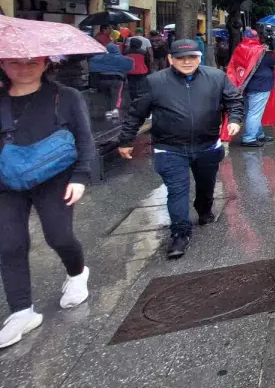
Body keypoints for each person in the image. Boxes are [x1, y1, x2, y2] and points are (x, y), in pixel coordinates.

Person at [0, 56, 95, 350]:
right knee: (9, 243)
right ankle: (21, 312)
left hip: (56, 179)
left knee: (59, 235)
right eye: (14, 62)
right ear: (2, 64)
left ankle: (77, 273)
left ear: (45, 64)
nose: (23, 67)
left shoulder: (66, 96)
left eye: (31, 62)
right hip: (7, 181)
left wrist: (80, 176)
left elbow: (84, 137)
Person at [118, 39, 244, 259]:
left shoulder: (216, 77)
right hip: (170, 148)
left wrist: (234, 119)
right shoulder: (154, 82)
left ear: (199, 57)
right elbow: (136, 113)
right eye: (180, 58)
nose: (187, 62)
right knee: (177, 190)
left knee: (206, 185)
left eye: (192, 57)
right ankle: (180, 232)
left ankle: (204, 209)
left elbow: (234, 100)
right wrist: (126, 139)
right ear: (170, 59)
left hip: (207, 145)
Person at [89, 42, 134, 120]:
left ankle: (106, 111)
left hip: (102, 79)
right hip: (117, 80)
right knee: (116, 96)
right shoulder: (124, 59)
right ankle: (114, 111)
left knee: (105, 95)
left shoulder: (99, 58)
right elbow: (130, 66)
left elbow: (92, 65)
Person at [123, 37, 152, 105]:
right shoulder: (143, 52)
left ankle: (133, 99)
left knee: (132, 86)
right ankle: (139, 99)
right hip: (141, 71)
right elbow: (147, 62)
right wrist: (148, 70)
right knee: (140, 86)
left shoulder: (126, 52)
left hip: (130, 72)